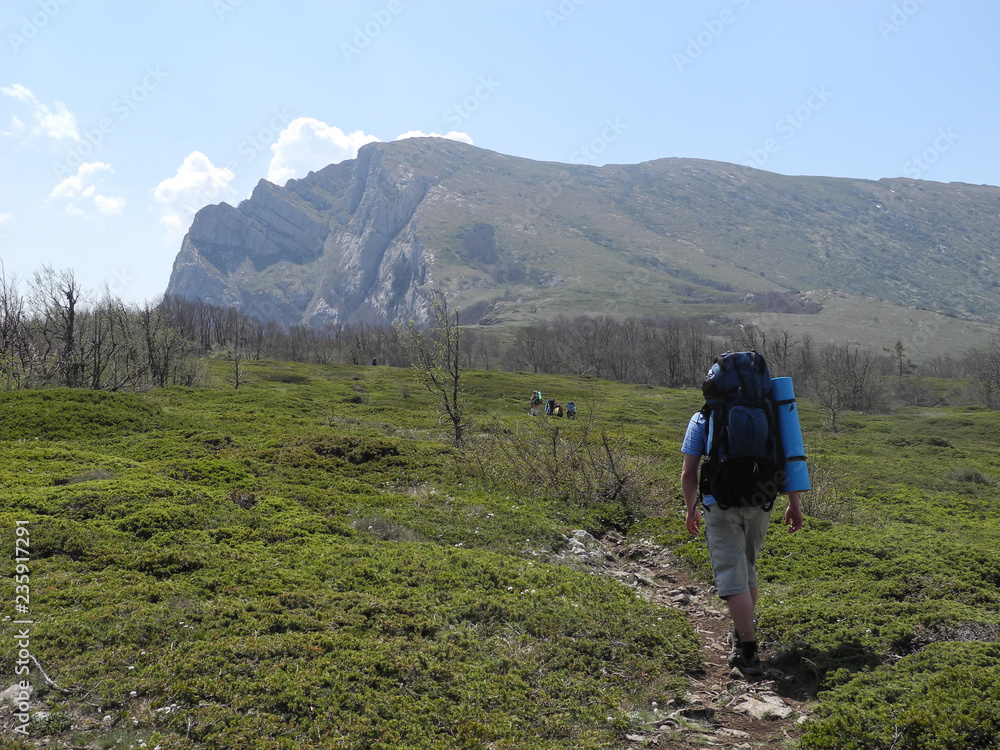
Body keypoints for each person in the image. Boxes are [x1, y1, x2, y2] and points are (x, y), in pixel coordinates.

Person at [681, 410, 803, 677]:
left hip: (719, 503)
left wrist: (691, 509)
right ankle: (740, 634)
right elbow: (787, 461)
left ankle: (747, 652)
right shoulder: (771, 413)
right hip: (761, 500)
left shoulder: (703, 417)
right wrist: (794, 504)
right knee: (747, 568)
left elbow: (688, 472)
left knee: (732, 573)